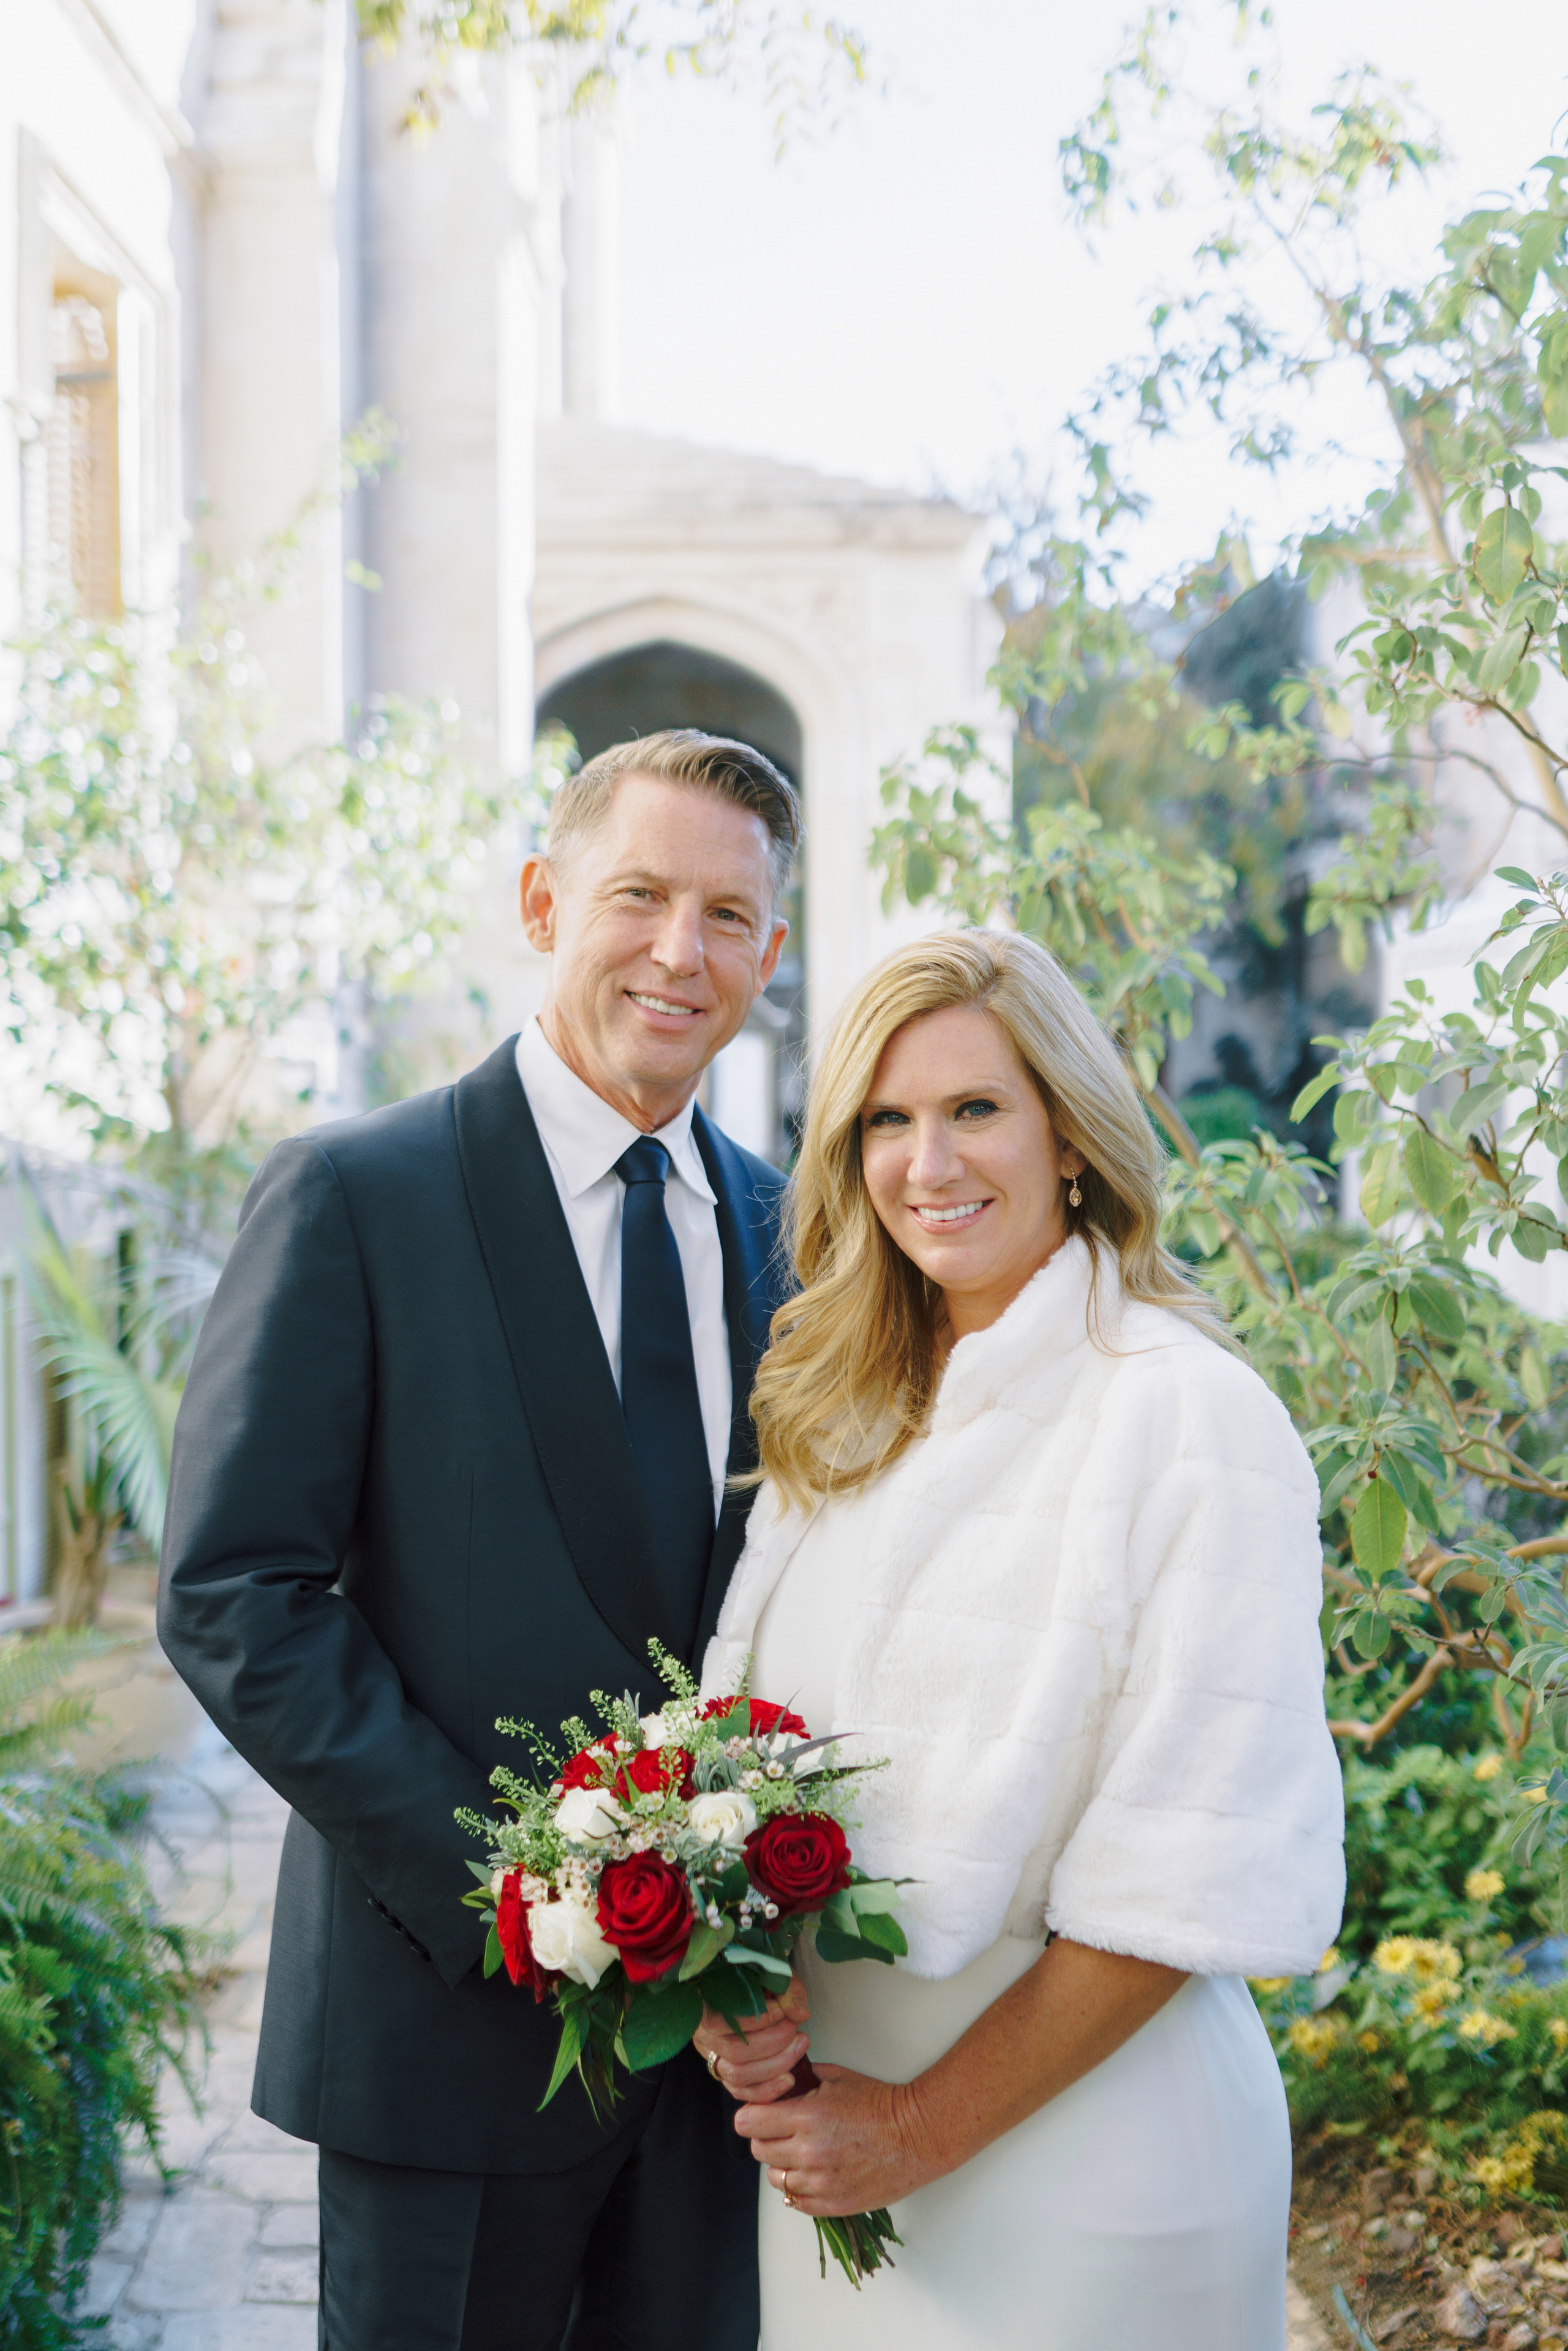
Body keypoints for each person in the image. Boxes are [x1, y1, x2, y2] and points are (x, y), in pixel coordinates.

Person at [158, 730, 802, 2351]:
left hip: (716, 2069)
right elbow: (238, 1593)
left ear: (769, 955)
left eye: (728, 914)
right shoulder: (354, 1192)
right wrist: (523, 1882)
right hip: (440, 2029)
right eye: (639, 894)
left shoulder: (790, 1232)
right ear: (541, 900)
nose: (680, 950)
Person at [693, 927, 1346, 2351]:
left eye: (975, 1107)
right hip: (829, 2157)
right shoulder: (840, 1412)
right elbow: (748, 1774)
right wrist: (729, 1983)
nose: (929, 1161)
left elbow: (1194, 1861)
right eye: (887, 1118)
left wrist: (922, 2123)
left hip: (1091, 2161)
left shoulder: (1184, 1414)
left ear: (1068, 1134)